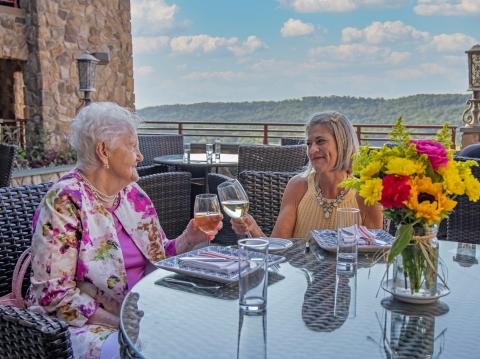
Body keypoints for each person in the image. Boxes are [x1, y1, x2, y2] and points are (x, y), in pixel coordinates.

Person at [26, 102, 219, 359]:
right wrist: (123, 323)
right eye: (131, 146)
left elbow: (158, 256)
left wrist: (189, 238)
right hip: (88, 324)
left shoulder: (133, 195)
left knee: (204, 332)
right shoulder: (65, 201)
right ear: (104, 151)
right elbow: (54, 295)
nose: (139, 155)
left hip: (144, 311)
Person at [232, 111, 383, 239]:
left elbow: (375, 259)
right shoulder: (298, 186)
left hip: (347, 273)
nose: (312, 150)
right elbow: (277, 247)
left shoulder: (366, 195)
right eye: (309, 144)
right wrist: (253, 228)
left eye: (320, 141)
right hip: (299, 274)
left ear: (342, 144)